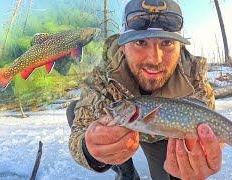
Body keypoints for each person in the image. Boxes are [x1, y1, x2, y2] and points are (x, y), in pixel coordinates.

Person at [67, 0, 221, 179]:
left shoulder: (194, 81)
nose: (155, 59)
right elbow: (78, 132)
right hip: (122, 126)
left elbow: (211, 132)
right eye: (140, 42)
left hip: (164, 138)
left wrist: (201, 155)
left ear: (180, 47)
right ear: (123, 46)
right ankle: (125, 172)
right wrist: (90, 149)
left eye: (167, 43)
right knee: (74, 110)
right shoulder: (105, 76)